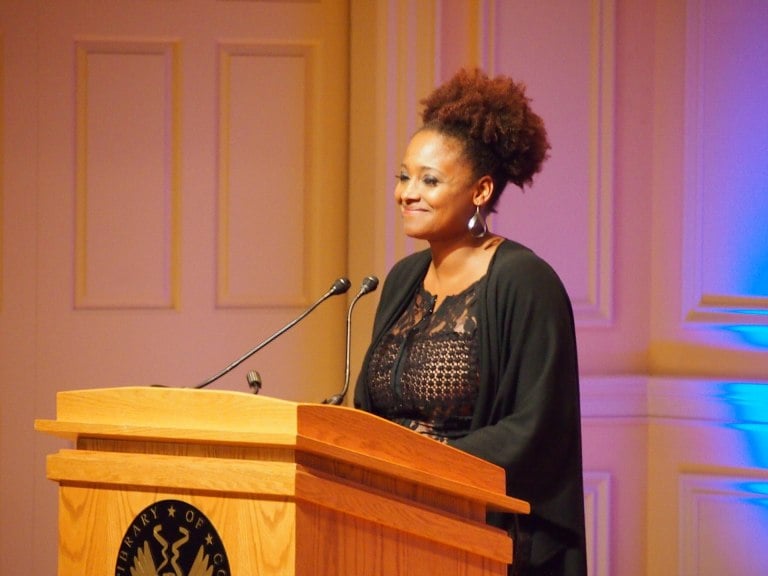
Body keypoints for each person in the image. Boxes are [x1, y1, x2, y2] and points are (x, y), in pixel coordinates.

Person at [353, 68, 587, 576]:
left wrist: (420, 464)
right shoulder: (402, 280)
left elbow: (536, 431)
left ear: (481, 191)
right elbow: (371, 412)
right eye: (403, 176)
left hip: (481, 537)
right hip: (388, 525)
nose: (407, 193)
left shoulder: (526, 282)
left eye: (429, 180)